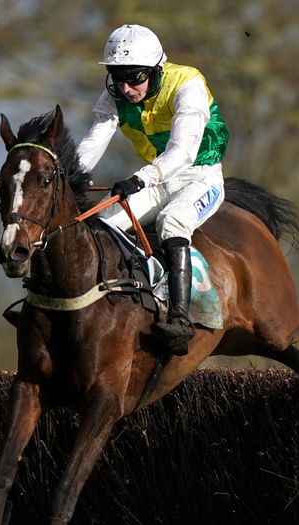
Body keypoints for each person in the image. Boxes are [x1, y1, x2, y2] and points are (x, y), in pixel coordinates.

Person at [76, 24, 229, 356]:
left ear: (156, 70)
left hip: (200, 176)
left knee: (172, 222)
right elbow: (93, 143)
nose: (127, 88)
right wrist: (71, 176)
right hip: (157, 178)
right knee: (98, 224)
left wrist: (140, 179)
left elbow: (184, 151)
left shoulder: (187, 83)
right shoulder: (115, 96)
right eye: (118, 78)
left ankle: (180, 319)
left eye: (135, 78)